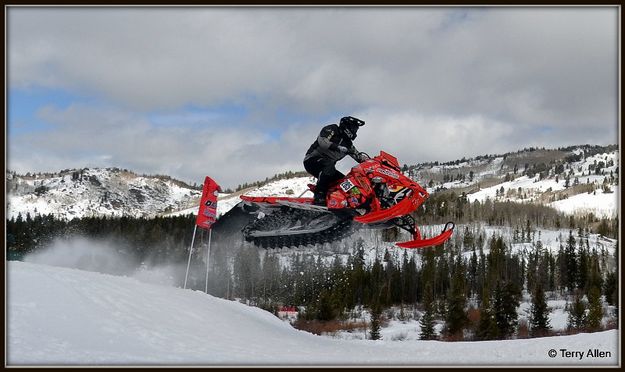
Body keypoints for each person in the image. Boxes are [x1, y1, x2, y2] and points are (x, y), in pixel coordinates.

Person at [303, 116, 366, 205]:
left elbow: (359, 157)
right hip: (312, 160)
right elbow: (322, 141)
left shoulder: (348, 144)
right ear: (347, 127)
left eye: (356, 129)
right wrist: (337, 147)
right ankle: (319, 195)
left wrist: (374, 161)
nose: (355, 131)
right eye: (354, 128)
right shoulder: (332, 129)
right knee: (329, 165)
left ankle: (352, 202)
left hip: (328, 168)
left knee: (346, 180)